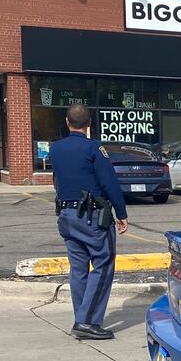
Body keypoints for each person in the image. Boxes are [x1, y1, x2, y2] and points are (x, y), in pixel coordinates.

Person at [48, 104, 128, 340]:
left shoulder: (56, 148)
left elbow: (57, 180)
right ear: (89, 124)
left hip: (66, 215)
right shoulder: (94, 148)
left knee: (79, 268)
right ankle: (86, 322)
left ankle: (82, 317)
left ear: (67, 121)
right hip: (91, 216)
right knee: (103, 264)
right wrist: (121, 213)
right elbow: (109, 182)